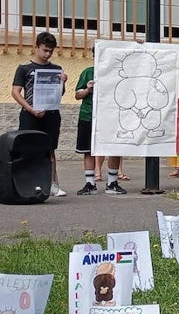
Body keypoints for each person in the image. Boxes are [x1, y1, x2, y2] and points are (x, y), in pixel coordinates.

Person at [11, 31, 69, 196]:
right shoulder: (24, 69)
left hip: (50, 114)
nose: (47, 54)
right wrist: (30, 109)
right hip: (29, 114)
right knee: (27, 149)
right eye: (44, 50)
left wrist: (63, 82)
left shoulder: (56, 69)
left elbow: (60, 94)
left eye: (50, 51)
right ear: (36, 47)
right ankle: (25, 184)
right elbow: (15, 92)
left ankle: (53, 184)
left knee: (49, 150)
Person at [74, 57, 125, 195]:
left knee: (114, 147)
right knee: (88, 150)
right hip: (88, 115)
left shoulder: (116, 72)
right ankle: (90, 184)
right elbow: (77, 95)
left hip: (111, 115)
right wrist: (87, 89)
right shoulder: (88, 72)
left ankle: (112, 182)